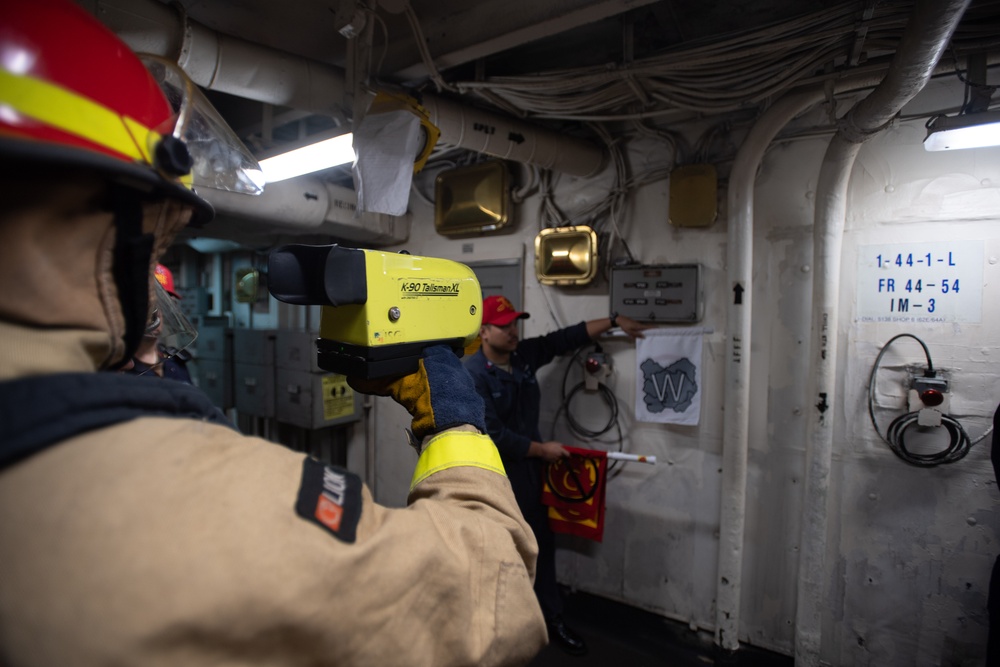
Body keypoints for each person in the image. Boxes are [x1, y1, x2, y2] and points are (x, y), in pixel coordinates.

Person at [0, 2, 546, 666]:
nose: (153, 282)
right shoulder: (194, 498)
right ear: (105, 215)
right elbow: (489, 596)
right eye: (157, 246)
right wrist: (455, 426)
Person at [464, 294, 649, 656]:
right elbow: (494, 435)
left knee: (540, 546)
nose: (513, 331)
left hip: (530, 474)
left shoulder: (523, 357)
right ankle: (492, 629)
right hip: (495, 477)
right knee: (498, 550)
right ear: (484, 332)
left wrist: (614, 320)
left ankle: (550, 618)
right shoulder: (472, 375)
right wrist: (541, 450)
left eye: (515, 323)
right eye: (505, 326)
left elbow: (564, 338)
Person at [123, 264, 194, 383]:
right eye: (150, 305)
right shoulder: (121, 369)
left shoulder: (175, 364)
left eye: (165, 305)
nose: (157, 314)